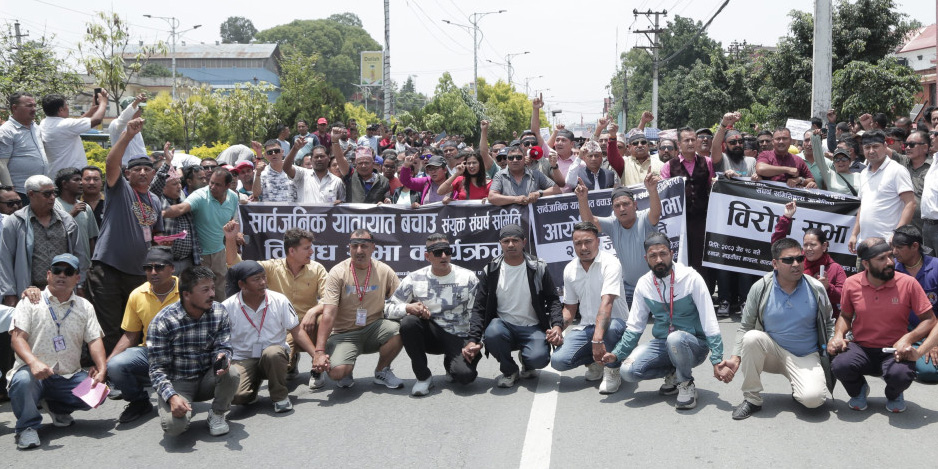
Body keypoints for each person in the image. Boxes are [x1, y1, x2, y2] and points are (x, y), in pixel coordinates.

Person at [602, 233, 726, 410]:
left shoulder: (691, 278)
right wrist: (617, 354)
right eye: (653, 256)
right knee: (628, 371)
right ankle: (673, 373)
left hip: (693, 345)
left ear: (671, 253)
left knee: (675, 338)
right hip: (663, 344)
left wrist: (717, 359)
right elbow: (634, 327)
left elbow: (710, 321)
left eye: (663, 254)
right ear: (646, 258)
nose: (659, 259)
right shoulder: (644, 284)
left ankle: (686, 383)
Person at [717, 238, 835, 420]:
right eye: (788, 260)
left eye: (800, 259)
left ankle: (800, 389)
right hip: (771, 353)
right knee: (752, 337)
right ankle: (752, 399)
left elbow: (828, 322)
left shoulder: (816, 287)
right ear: (775, 264)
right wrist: (735, 358)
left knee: (813, 400)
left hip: (805, 355)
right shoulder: (761, 287)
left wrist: (832, 345)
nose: (796, 264)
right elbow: (745, 326)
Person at [7, 253, 107, 450]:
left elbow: (95, 339)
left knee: (99, 393)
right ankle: (27, 428)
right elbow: (17, 339)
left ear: (77, 278)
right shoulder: (30, 301)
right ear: (48, 275)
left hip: (68, 375)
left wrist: (102, 368)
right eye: (57, 270)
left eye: (68, 272)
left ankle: (56, 407)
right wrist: (33, 362)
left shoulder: (84, 306)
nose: (62, 275)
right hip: (34, 374)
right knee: (23, 381)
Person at [828, 238, 936, 413]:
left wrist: (908, 338)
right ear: (866, 263)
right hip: (861, 348)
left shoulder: (908, 283)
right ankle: (859, 390)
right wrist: (838, 335)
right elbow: (846, 316)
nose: (890, 262)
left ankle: (894, 394)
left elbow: (930, 320)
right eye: (881, 259)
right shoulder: (851, 283)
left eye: (890, 256)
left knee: (901, 375)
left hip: (894, 351)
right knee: (840, 365)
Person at [89, 117, 164, 355]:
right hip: (108, 268)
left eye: (147, 169)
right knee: (110, 326)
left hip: (139, 273)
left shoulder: (155, 200)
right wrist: (128, 135)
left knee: (136, 325)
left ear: (153, 174)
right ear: (127, 174)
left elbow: (156, 235)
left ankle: (130, 369)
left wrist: (164, 245)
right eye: (136, 169)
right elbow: (111, 163)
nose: (142, 173)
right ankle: (110, 373)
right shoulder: (120, 189)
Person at [224, 221, 328, 389]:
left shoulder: (317, 269)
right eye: (307, 248)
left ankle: (318, 367)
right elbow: (236, 266)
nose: (312, 251)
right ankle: (291, 362)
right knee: (282, 367)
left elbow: (329, 299)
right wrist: (230, 239)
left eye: (311, 247)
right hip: (283, 330)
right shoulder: (271, 268)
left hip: (308, 325)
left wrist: (314, 311)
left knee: (324, 317)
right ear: (292, 251)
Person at [463, 224, 563, 388]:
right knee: (492, 333)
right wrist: (473, 339)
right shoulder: (491, 270)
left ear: (523, 242)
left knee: (539, 359)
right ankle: (509, 370)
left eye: (515, 240)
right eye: (506, 241)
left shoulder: (538, 267)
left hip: (533, 327)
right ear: (500, 243)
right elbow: (479, 307)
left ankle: (528, 361)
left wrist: (557, 325)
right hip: (503, 326)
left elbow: (553, 299)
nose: (510, 245)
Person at [146, 266, 239, 437]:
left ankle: (217, 414)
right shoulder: (163, 322)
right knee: (174, 427)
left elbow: (224, 345)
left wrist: (223, 356)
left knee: (232, 373)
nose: (212, 294)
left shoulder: (219, 311)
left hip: (207, 377)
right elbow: (157, 369)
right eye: (205, 290)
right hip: (178, 381)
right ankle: (179, 404)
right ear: (186, 294)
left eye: (212, 288)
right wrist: (172, 396)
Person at [386, 234, 481, 396]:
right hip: (430, 333)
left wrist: (474, 341)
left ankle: (451, 363)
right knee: (408, 322)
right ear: (427, 256)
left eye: (447, 251)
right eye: (437, 252)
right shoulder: (414, 278)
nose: (443, 256)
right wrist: (408, 307)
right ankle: (423, 377)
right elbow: (387, 308)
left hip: (458, 334)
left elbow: (479, 313)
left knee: (465, 377)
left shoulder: (468, 277)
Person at [307, 230, 404, 389]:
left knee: (401, 329)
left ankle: (382, 371)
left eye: (364, 246)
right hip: (344, 334)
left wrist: (415, 305)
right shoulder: (337, 272)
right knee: (337, 373)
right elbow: (329, 313)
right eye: (355, 246)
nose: (359, 251)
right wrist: (319, 352)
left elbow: (401, 299)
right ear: (349, 248)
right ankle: (345, 367)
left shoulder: (384, 270)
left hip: (374, 328)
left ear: (373, 248)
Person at [223, 261, 316, 413]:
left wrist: (316, 355)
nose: (263, 283)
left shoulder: (279, 300)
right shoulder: (227, 306)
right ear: (242, 284)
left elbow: (296, 331)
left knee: (273, 353)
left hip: (274, 356)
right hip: (244, 358)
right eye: (256, 279)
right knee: (237, 397)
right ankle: (252, 388)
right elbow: (222, 340)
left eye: (263, 278)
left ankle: (280, 397)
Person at [550, 222, 628, 394]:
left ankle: (613, 369)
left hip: (617, 325)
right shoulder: (570, 269)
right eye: (578, 243)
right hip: (587, 327)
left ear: (597, 242)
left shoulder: (611, 263)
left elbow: (607, 303)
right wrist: (558, 327)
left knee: (613, 328)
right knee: (558, 361)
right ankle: (597, 361)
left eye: (588, 242)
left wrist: (597, 340)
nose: (583, 247)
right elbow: (570, 308)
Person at [106, 247, 178, 423]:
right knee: (115, 365)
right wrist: (105, 365)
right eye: (148, 268)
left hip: (183, 356)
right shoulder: (137, 294)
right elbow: (130, 335)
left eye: (159, 267)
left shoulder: (187, 290)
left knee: (173, 419)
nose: (153, 272)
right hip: (151, 354)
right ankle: (139, 402)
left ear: (172, 268)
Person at [576, 174, 661, 306]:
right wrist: (582, 199)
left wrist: (652, 190)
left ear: (635, 205)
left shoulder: (645, 218)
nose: (621, 209)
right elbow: (589, 223)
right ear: (613, 209)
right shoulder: (613, 224)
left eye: (626, 204)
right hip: (629, 289)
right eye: (617, 206)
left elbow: (656, 213)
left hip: (655, 286)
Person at [1, 175, 86, 306]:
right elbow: (5, 260)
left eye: (54, 193)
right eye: (47, 194)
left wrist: (80, 284)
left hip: (63, 291)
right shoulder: (15, 222)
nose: (52, 197)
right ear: (31, 194)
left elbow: (79, 254)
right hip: (30, 293)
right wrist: (9, 293)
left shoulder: (66, 220)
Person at [162, 168, 239, 297]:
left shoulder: (233, 197)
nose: (213, 187)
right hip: (200, 256)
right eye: (211, 182)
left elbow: (231, 220)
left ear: (227, 186)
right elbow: (181, 208)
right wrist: (160, 214)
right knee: (202, 292)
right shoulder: (200, 195)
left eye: (218, 184)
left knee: (220, 291)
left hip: (220, 253)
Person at [660, 127, 715, 287]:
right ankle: (680, 293)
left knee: (701, 259)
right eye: (687, 140)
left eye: (693, 139)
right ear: (679, 143)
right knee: (680, 259)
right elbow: (664, 192)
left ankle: (704, 293)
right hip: (677, 222)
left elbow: (711, 186)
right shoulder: (669, 166)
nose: (691, 143)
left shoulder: (707, 162)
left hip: (701, 219)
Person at [772, 201, 846, 318]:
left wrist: (828, 287)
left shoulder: (835, 269)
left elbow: (844, 297)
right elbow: (777, 245)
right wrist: (786, 218)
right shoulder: (797, 261)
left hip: (822, 321)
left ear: (824, 246)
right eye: (805, 245)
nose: (808, 249)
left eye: (813, 245)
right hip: (793, 315)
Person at [848, 131, 916, 254]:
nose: (871, 151)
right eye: (867, 147)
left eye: (875, 146)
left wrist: (897, 234)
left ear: (885, 146)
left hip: (887, 245)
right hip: (864, 243)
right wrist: (854, 234)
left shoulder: (897, 170)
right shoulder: (864, 173)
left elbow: (910, 203)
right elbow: (863, 207)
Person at [891, 225, 938, 383]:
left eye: (899, 247)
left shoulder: (936, 267)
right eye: (893, 247)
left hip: (933, 331)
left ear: (915, 246)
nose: (894, 252)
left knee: (928, 372)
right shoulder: (892, 270)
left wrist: (933, 342)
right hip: (903, 332)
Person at [150, 146, 201, 272]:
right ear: (163, 187)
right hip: (166, 261)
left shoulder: (184, 200)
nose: (179, 186)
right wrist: (167, 162)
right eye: (174, 184)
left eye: (179, 183)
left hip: (188, 261)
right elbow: (156, 184)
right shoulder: (156, 200)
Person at [39, 91, 108, 177]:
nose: (68, 108)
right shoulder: (65, 125)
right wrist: (104, 102)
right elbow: (97, 120)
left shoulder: (44, 123)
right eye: (66, 105)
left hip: (55, 174)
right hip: (71, 176)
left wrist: (91, 111)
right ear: (61, 109)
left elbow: (74, 125)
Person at [0, 92, 47, 200]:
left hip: (40, 191)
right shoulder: (6, 131)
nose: (34, 109)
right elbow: (1, 163)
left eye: (35, 105)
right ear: (15, 108)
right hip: (20, 193)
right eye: (29, 106)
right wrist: (10, 191)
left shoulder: (35, 127)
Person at [282, 131, 348, 204]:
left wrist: (340, 202)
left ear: (328, 158)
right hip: (305, 215)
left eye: (322, 156)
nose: (319, 159)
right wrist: (295, 149)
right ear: (311, 160)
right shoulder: (303, 174)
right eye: (316, 157)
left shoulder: (337, 181)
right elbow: (286, 168)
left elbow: (343, 204)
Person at [54, 168, 99, 275]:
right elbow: (54, 231)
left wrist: (93, 263)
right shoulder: (54, 205)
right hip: (63, 267)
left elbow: (91, 238)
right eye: (76, 180)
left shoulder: (85, 207)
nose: (81, 183)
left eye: (81, 180)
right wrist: (72, 214)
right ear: (64, 184)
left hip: (85, 268)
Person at [488, 145, 560, 206]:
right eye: (511, 158)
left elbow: (557, 190)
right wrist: (516, 199)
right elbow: (492, 197)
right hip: (510, 220)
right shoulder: (500, 175)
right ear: (507, 160)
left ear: (524, 159)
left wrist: (539, 194)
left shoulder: (536, 174)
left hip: (534, 219)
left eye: (519, 157)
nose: (515, 160)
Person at [902, 130, 932, 231]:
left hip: (928, 227)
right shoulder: (902, 161)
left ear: (925, 147)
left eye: (912, 145)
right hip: (905, 226)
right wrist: (868, 127)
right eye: (906, 144)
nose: (907, 148)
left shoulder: (934, 168)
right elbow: (883, 150)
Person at [107, 94, 148, 166]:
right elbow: (123, 119)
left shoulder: (136, 128)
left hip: (139, 168)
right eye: (139, 108)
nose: (140, 111)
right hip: (125, 168)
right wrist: (135, 103)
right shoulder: (116, 125)